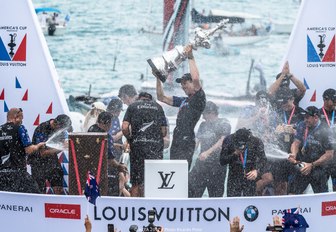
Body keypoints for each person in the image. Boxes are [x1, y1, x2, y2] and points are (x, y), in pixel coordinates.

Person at [155, 44, 206, 169]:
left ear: (193, 85)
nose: (183, 87)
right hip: (177, 140)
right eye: (181, 85)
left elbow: (196, 78)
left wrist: (190, 56)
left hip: (187, 140)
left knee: (181, 172)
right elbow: (161, 97)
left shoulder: (199, 98)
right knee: (173, 170)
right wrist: (158, 78)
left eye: (185, 84)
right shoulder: (184, 100)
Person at [122, 92, 168, 197]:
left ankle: (134, 207)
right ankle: (152, 205)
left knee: (136, 182)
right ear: (150, 99)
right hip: (155, 149)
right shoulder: (158, 107)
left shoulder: (133, 106)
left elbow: (124, 127)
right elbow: (164, 131)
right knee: (153, 180)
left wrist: (130, 138)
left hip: (138, 148)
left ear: (139, 98)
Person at [188, 101, 231, 198]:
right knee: (192, 191)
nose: (202, 117)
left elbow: (222, 141)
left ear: (211, 113)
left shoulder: (224, 123)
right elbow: (197, 140)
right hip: (201, 165)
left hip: (217, 165)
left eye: (204, 114)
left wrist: (207, 153)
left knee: (215, 195)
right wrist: (190, 152)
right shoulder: (203, 125)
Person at [288, 106, 334, 194]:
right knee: (292, 194)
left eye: (307, 117)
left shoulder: (326, 130)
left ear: (316, 117)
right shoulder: (302, 125)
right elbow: (296, 143)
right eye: (304, 117)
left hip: (319, 168)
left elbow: (329, 154)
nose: (305, 120)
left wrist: (312, 165)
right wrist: (293, 154)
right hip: (303, 165)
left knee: (321, 197)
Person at [0, 108, 45, 193]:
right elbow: (29, 150)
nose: (22, 121)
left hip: (2, 175)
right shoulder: (20, 128)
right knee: (36, 197)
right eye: (21, 118)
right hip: (18, 174)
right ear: (16, 116)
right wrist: (38, 146)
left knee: (7, 201)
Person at [271, 87, 306, 195]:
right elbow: (270, 133)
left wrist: (295, 131)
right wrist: (276, 131)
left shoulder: (302, 114)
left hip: (297, 154)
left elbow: (309, 134)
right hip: (281, 153)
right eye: (281, 103)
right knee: (279, 184)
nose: (283, 105)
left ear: (292, 99)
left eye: (285, 102)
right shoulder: (278, 113)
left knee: (295, 187)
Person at [29, 114, 72, 194]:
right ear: (56, 124)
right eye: (62, 129)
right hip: (37, 162)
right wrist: (61, 147)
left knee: (58, 186)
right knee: (40, 191)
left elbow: (65, 142)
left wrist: (66, 144)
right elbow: (43, 153)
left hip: (52, 161)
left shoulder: (61, 129)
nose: (62, 131)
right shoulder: (41, 129)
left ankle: (57, 205)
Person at [88, 111, 128, 196]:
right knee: (121, 176)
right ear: (106, 124)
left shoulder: (91, 129)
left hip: (89, 168)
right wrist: (119, 166)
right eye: (110, 123)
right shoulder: (106, 136)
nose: (110, 126)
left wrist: (116, 145)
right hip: (103, 170)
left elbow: (97, 147)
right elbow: (110, 160)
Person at [220, 128, 267, 197]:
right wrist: (235, 154)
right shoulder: (229, 140)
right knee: (233, 202)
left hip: (250, 175)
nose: (242, 145)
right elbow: (222, 161)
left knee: (249, 202)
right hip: (234, 176)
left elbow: (263, 160)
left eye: (244, 143)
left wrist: (256, 170)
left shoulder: (256, 141)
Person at [106, 97, 130, 196]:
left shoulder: (105, 117)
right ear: (117, 110)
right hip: (113, 155)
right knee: (119, 179)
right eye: (120, 110)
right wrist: (125, 129)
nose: (120, 113)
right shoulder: (113, 118)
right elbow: (113, 138)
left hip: (108, 154)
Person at [319, 88, 336, 191]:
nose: (335, 101)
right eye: (333, 99)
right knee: (322, 188)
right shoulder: (317, 114)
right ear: (325, 100)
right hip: (323, 155)